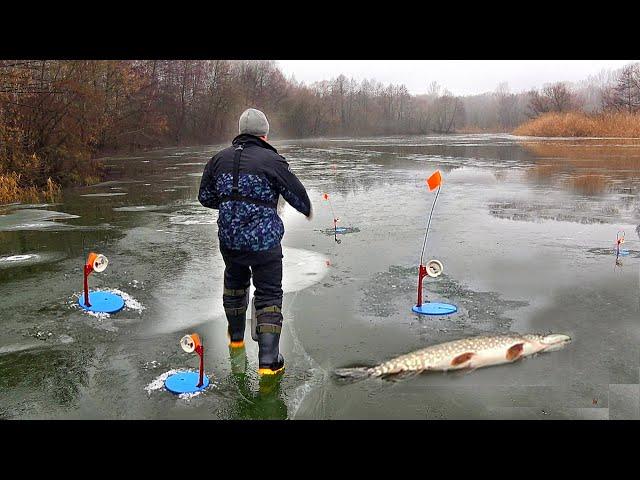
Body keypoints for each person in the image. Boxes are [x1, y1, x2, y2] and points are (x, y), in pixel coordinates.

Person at [198, 108, 312, 375]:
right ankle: (269, 362)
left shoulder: (217, 160)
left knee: (235, 285)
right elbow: (300, 199)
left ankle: (235, 339)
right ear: (265, 134)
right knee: (269, 294)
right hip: (264, 245)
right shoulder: (272, 161)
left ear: (240, 132)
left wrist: (231, 203)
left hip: (230, 241)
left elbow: (205, 197)